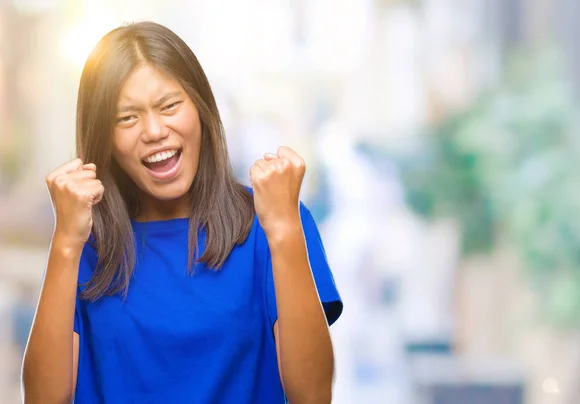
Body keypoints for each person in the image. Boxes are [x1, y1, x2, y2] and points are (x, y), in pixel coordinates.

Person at [21, 21, 343, 404]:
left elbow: (313, 395)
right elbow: (42, 399)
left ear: (201, 108)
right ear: (104, 135)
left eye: (169, 105)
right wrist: (65, 243)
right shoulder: (85, 239)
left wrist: (285, 229)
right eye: (127, 117)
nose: (154, 130)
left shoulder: (271, 222)